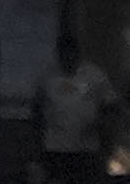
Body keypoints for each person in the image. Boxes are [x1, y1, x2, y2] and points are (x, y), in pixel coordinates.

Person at [35, 37, 121, 169]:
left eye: (71, 54)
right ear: (59, 55)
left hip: (86, 146)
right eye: (64, 54)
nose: (68, 58)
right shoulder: (47, 77)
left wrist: (100, 124)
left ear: (77, 54)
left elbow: (111, 104)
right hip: (55, 145)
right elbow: (37, 107)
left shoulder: (95, 75)